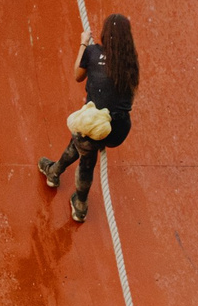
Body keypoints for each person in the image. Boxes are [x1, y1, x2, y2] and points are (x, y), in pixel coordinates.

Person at [40, 12, 140, 225]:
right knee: (87, 136)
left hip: (96, 127)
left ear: (105, 33)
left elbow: (78, 75)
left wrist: (83, 44)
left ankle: (80, 203)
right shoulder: (131, 63)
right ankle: (55, 170)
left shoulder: (94, 52)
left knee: (86, 142)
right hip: (119, 130)